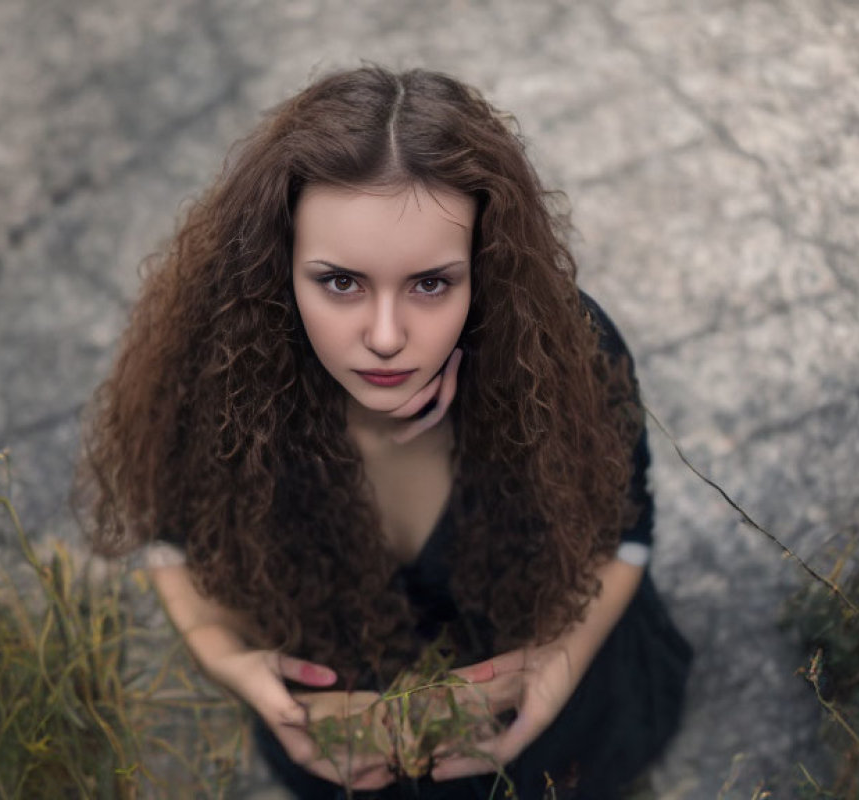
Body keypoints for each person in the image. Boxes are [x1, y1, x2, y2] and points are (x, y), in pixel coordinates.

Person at [77, 66, 692, 799]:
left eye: (432, 283)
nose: (387, 336)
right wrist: (222, 656)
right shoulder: (218, 375)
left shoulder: (565, 351)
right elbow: (169, 534)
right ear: (279, 267)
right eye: (340, 282)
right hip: (349, 757)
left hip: (567, 739)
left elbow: (627, 525)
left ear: (484, 269)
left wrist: (557, 668)